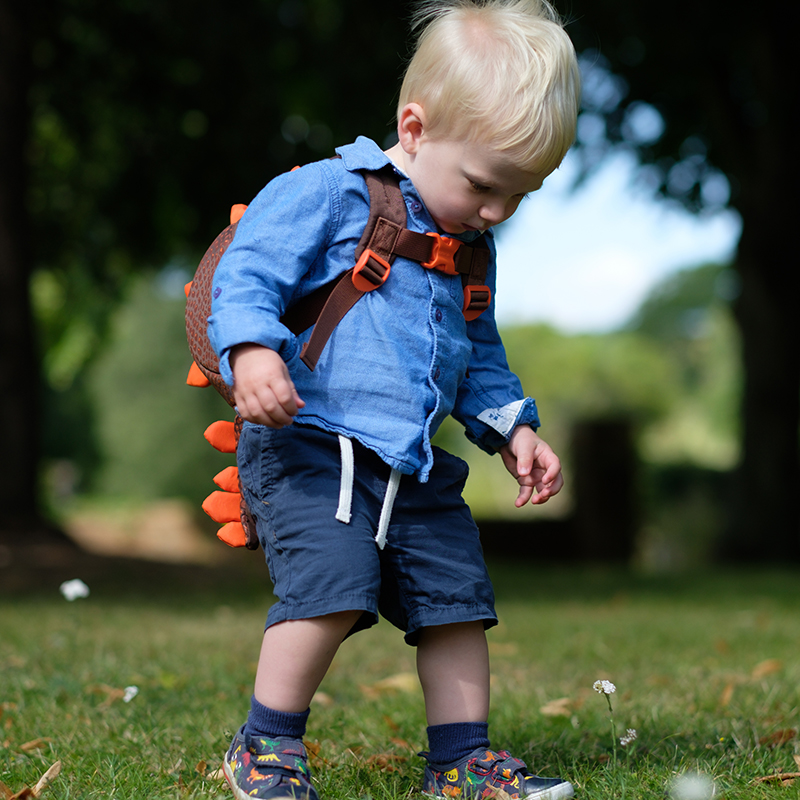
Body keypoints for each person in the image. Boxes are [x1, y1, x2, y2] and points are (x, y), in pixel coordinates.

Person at [207, 1, 581, 798]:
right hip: (313, 443)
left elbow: (477, 353)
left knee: (455, 603)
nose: (497, 212)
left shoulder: (471, 249)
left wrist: (513, 428)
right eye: (485, 186)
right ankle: (264, 745)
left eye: (521, 194)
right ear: (414, 129)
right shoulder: (327, 194)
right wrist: (248, 349)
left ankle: (461, 759)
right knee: (331, 590)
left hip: (414, 462)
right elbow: (247, 273)